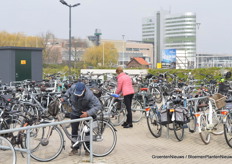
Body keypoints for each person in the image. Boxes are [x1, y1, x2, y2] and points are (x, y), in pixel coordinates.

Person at [61, 82, 102, 156]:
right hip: (75, 111)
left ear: (84, 90)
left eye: (80, 93)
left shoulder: (89, 95)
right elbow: (67, 93)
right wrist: (63, 98)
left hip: (86, 112)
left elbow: (98, 105)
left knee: (87, 132)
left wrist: (88, 113)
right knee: (74, 131)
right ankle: (75, 148)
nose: (78, 95)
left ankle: (88, 149)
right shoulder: (73, 88)